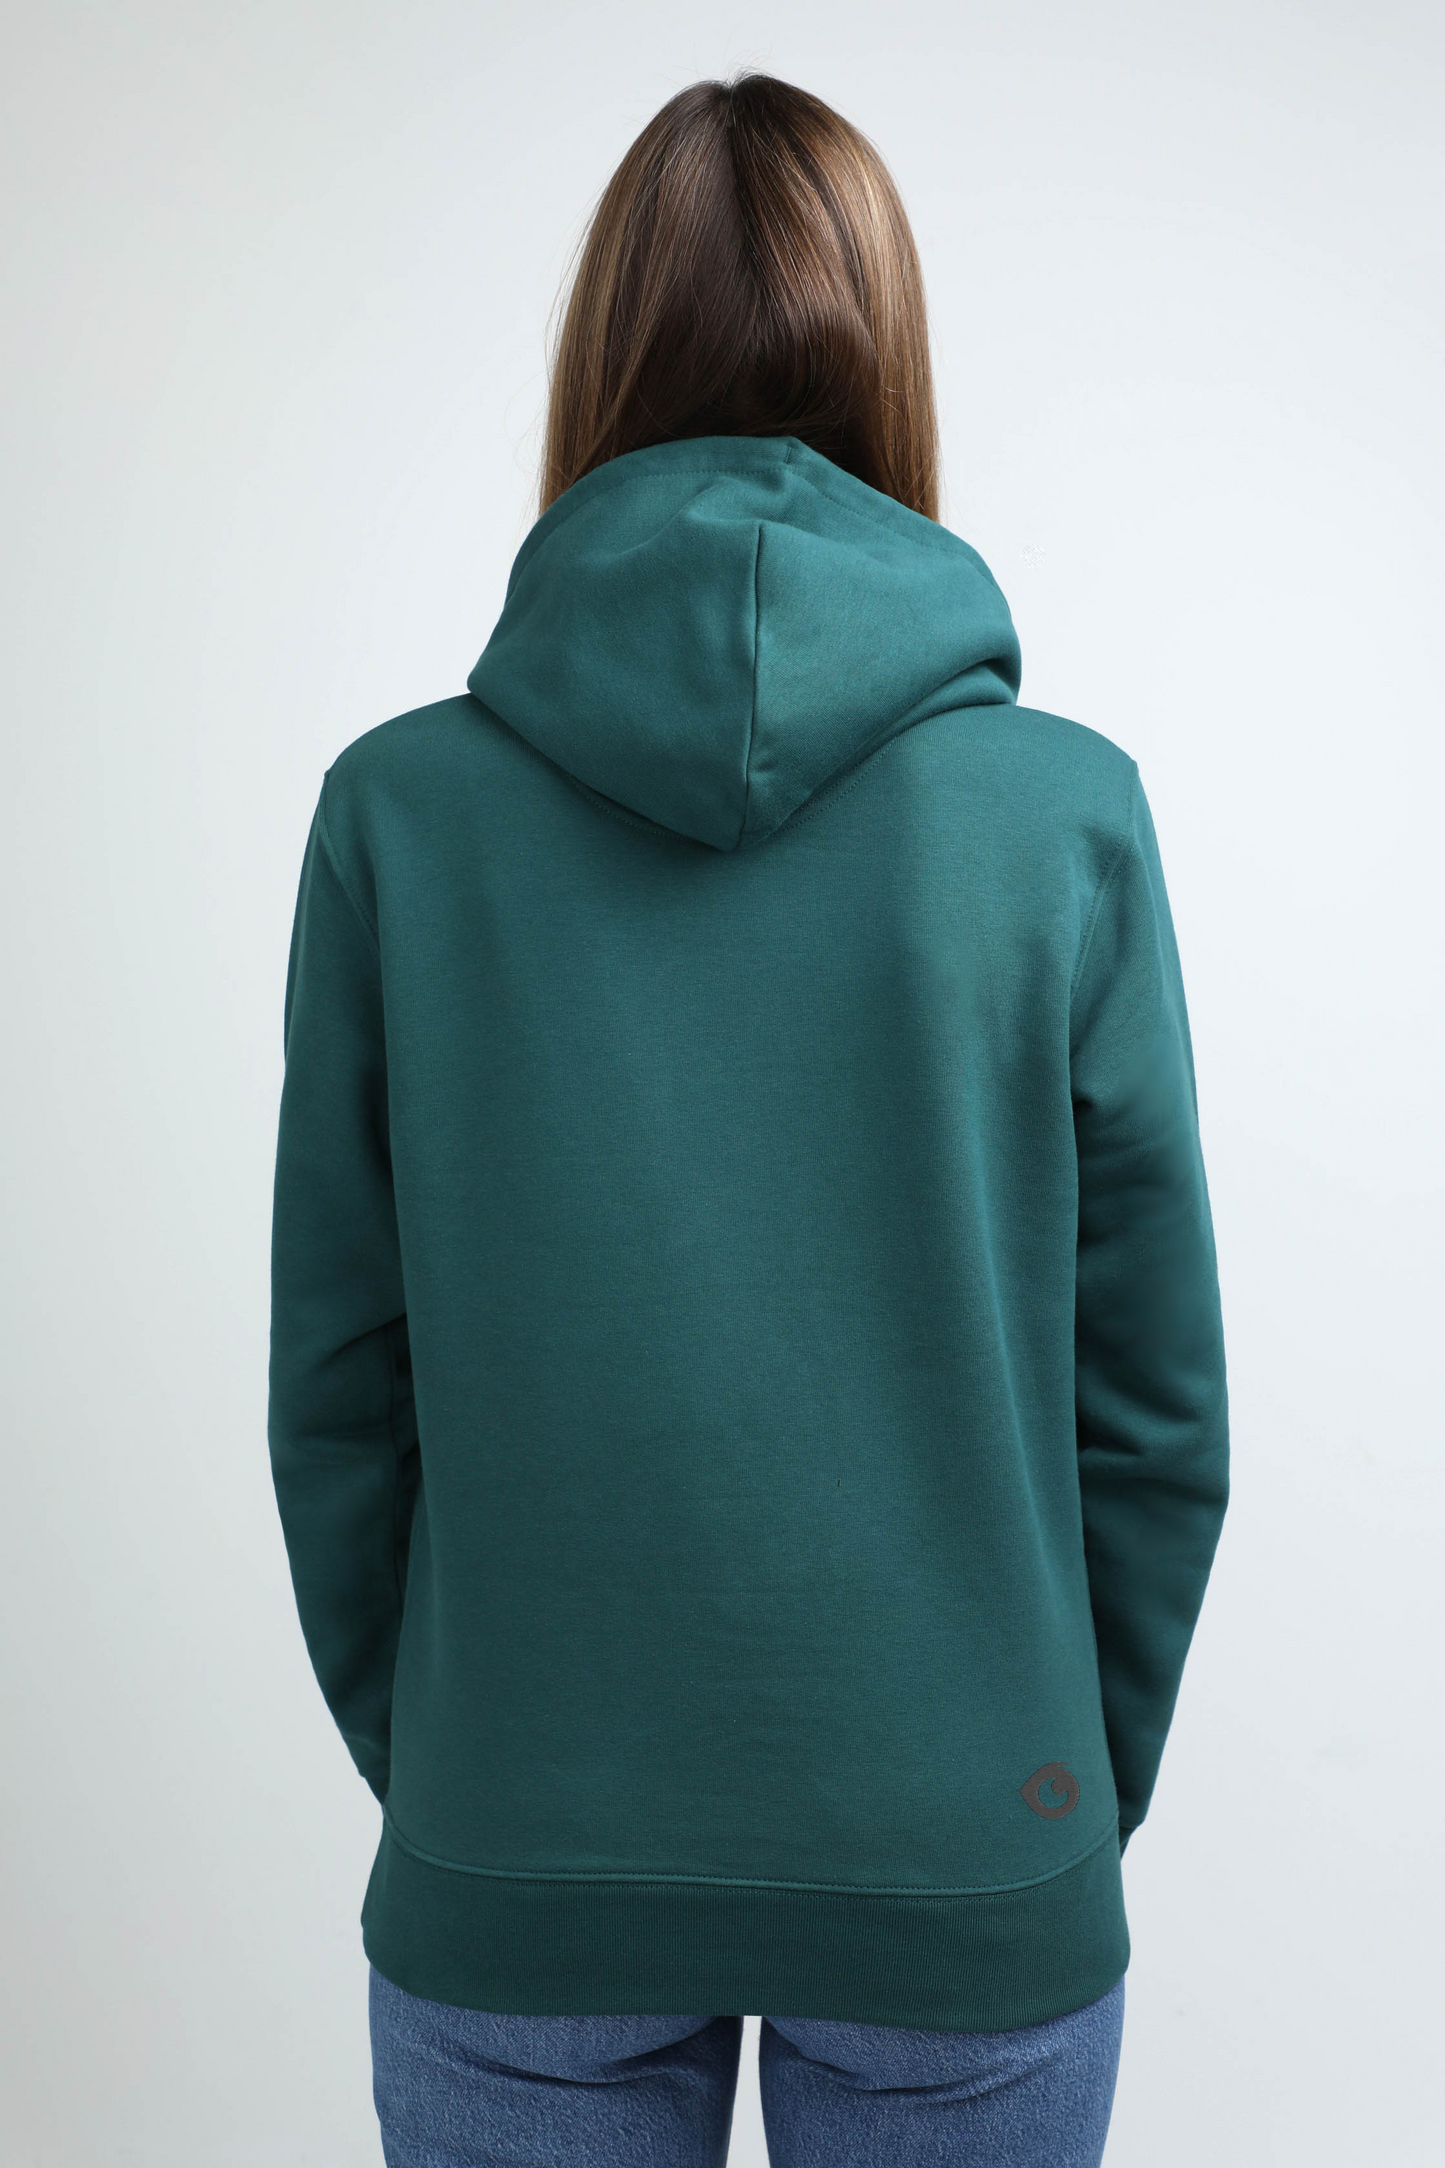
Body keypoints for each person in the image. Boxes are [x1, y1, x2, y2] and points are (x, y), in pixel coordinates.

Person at [267, 72, 1229, 2168]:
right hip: (966, 1832)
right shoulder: (1063, 818)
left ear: (597, 362)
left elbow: (339, 1384)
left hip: (519, 1833)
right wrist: (1040, 1797)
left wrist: (463, 1779)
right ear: (891, 362)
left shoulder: (398, 815)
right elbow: (1154, 1408)